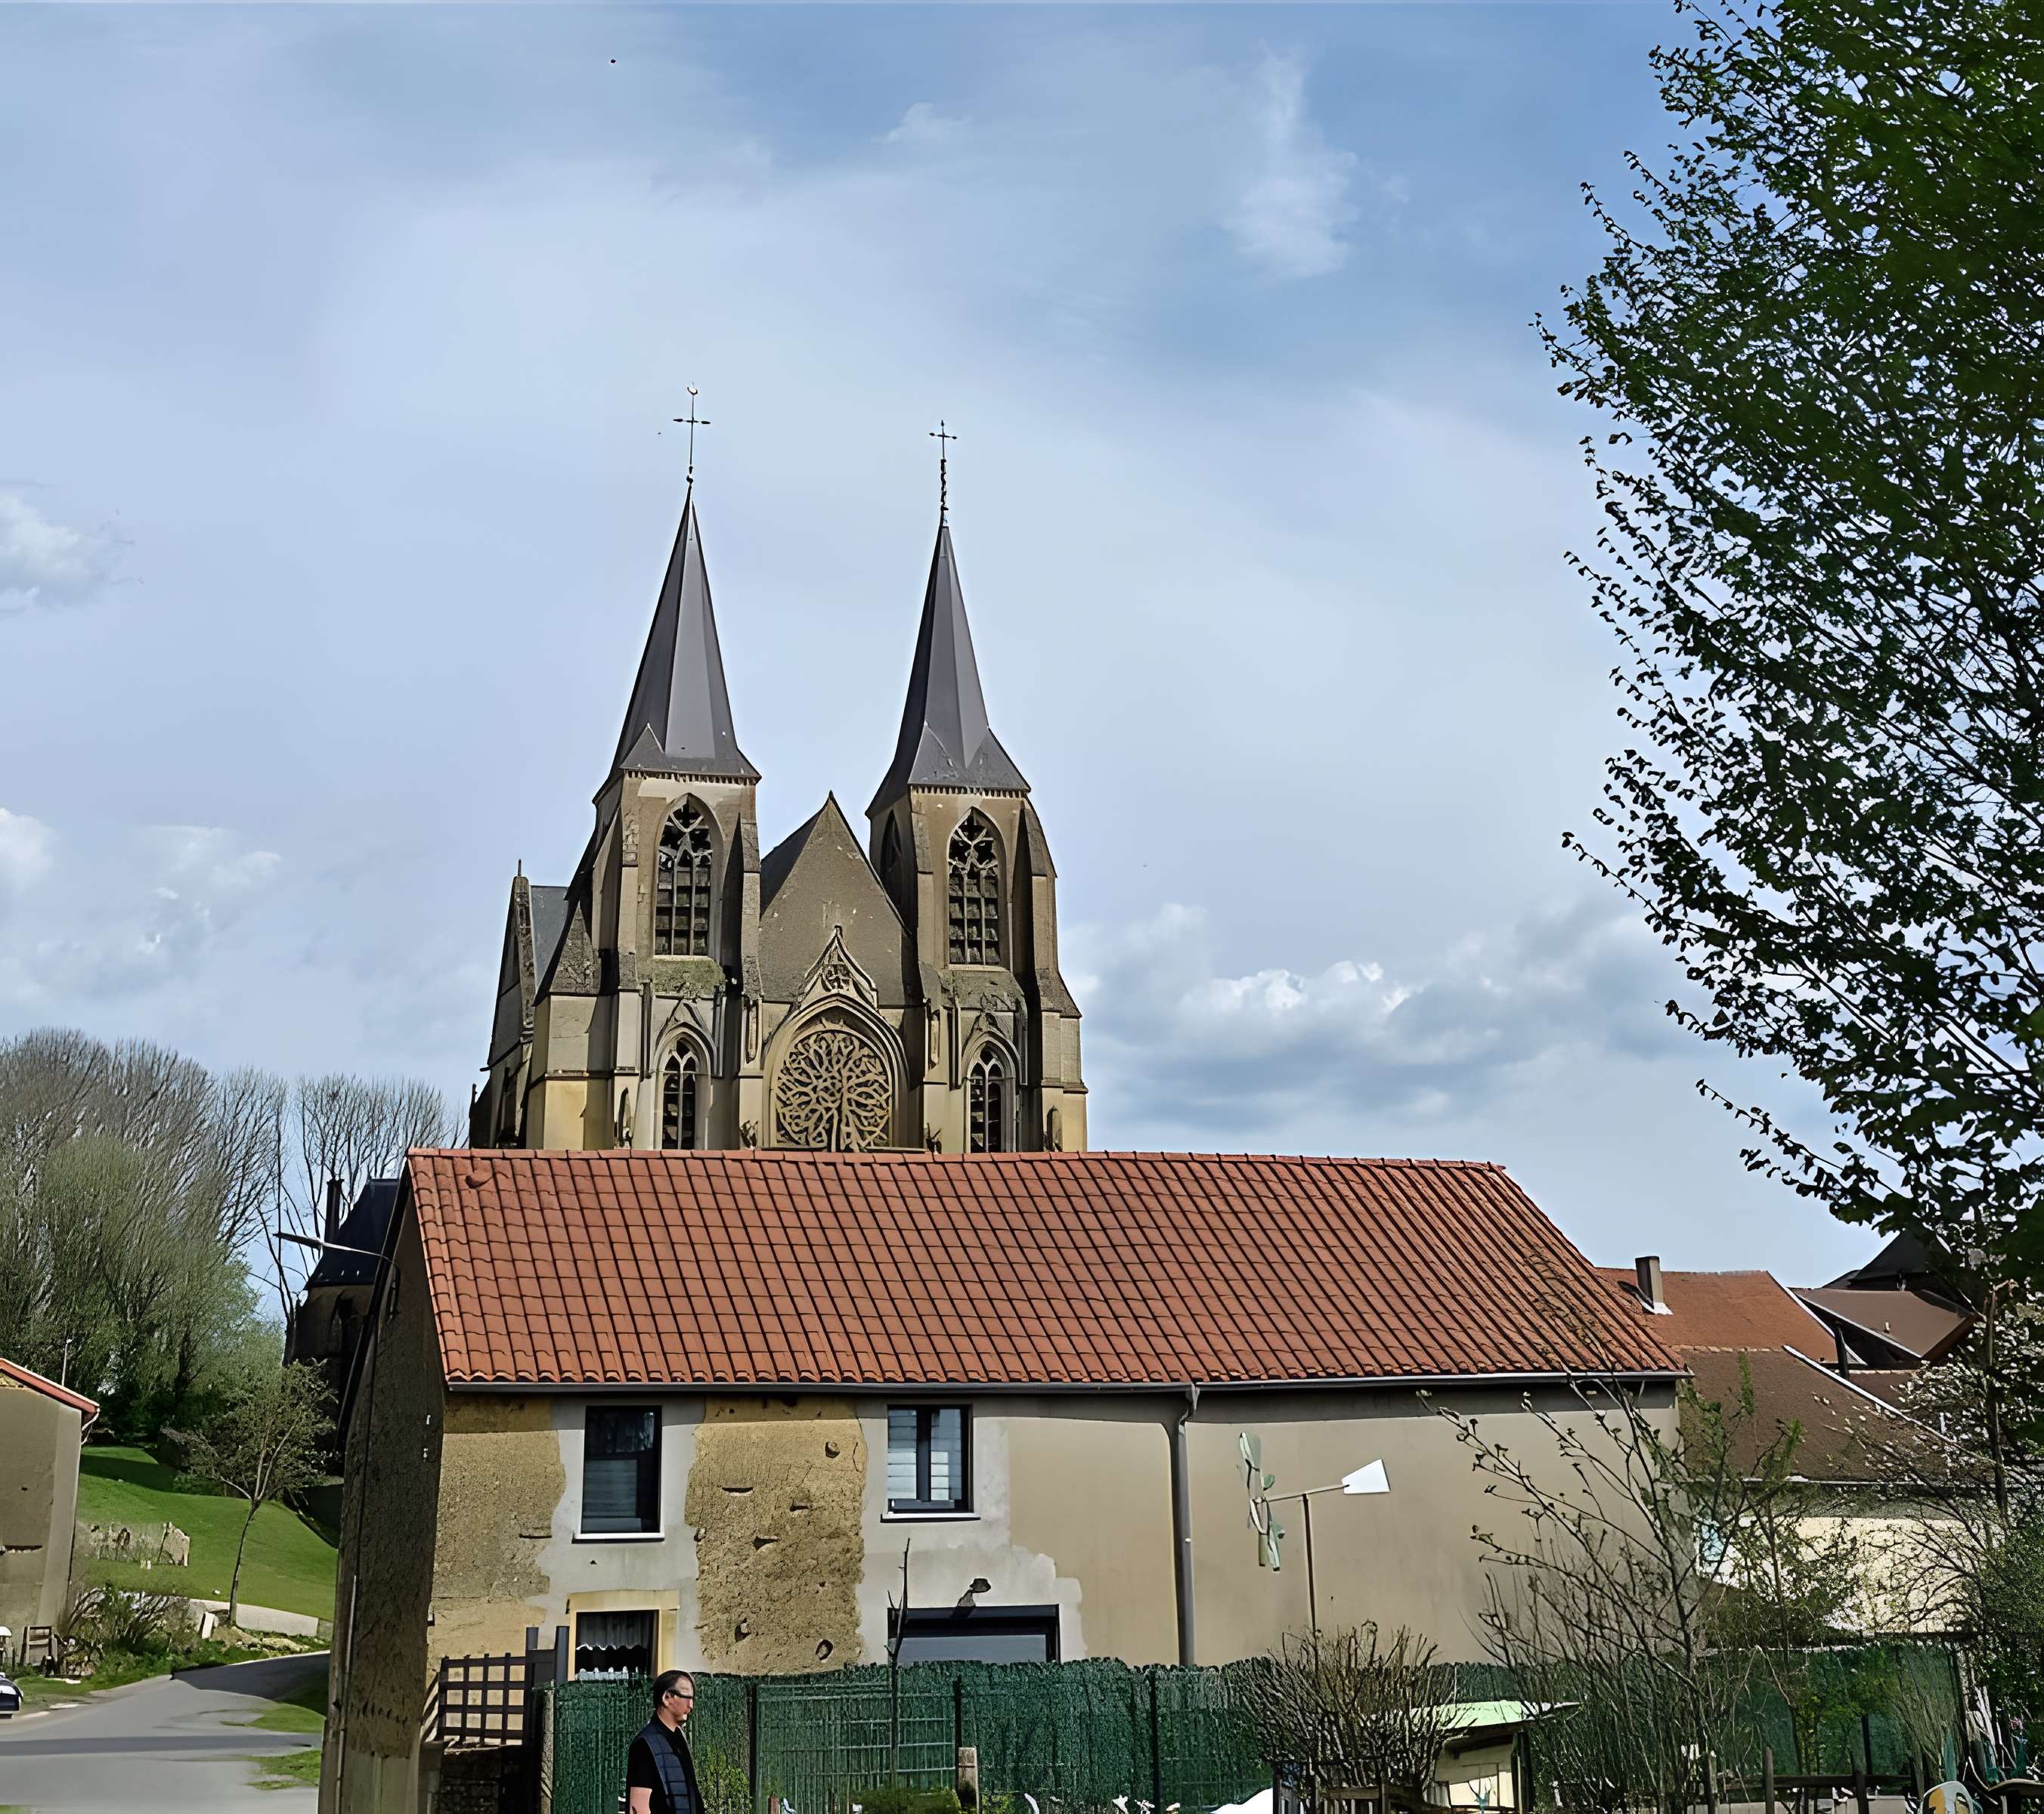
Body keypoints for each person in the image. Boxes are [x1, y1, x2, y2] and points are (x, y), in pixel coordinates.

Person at [627, 1669, 705, 1814]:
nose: (691, 1706)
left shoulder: (680, 1739)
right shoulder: (645, 1744)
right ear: (667, 1698)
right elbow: (637, 1808)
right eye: (687, 1697)